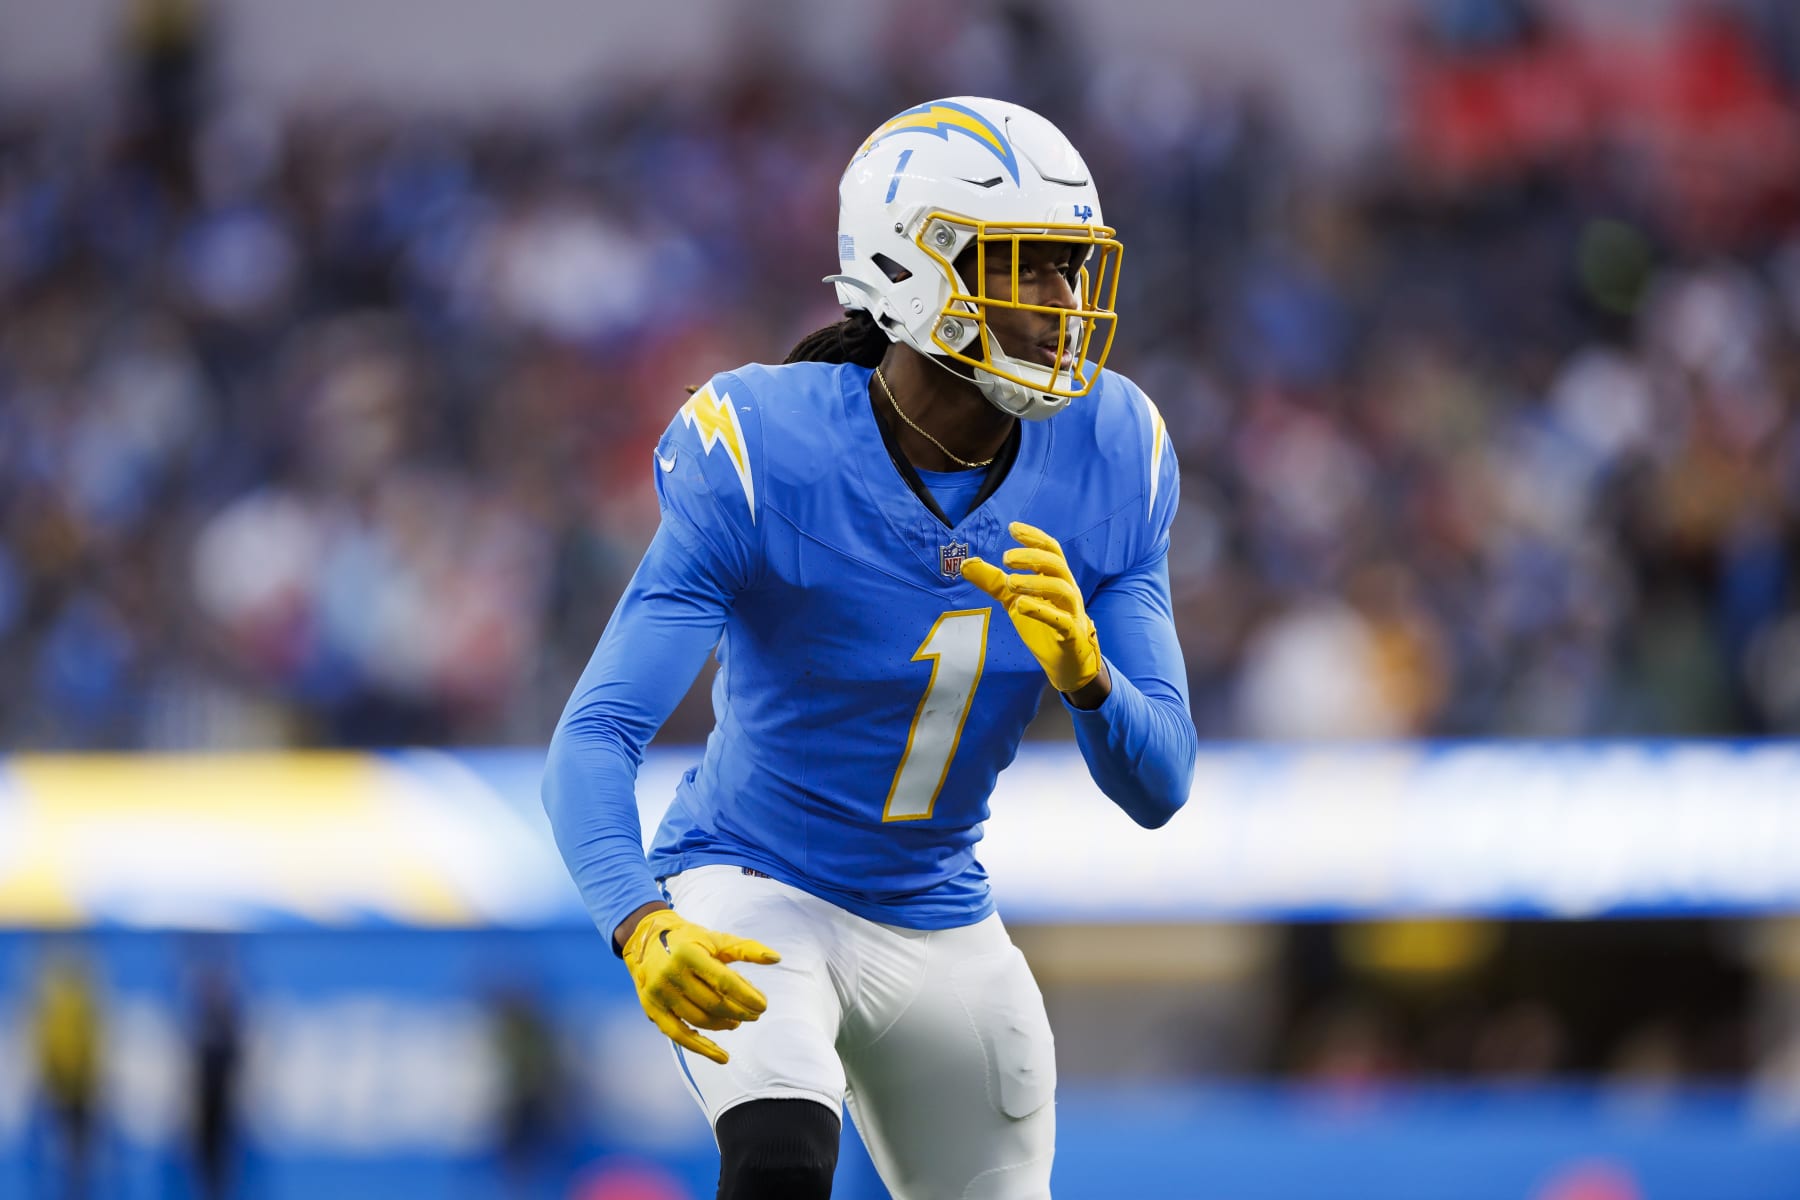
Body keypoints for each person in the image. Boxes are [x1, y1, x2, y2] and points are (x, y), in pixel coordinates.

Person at [543, 96, 1197, 1199]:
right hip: (758, 881)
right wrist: (640, 921)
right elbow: (596, 733)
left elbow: (1162, 782)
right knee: (780, 1156)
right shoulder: (765, 447)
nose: (1062, 303)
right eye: (1026, 266)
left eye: (1072, 269)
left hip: (942, 912)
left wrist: (1089, 679)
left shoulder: (1116, 448)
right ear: (913, 269)